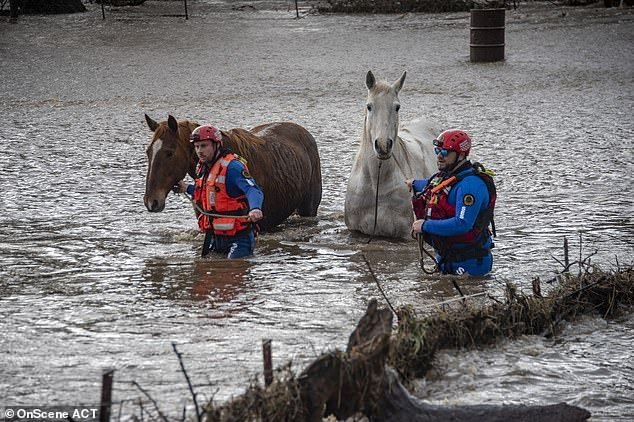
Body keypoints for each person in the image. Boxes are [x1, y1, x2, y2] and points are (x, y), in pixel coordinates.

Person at [408, 129, 496, 276]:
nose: (439, 157)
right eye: (438, 151)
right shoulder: (448, 177)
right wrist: (413, 183)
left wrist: (424, 225)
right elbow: (433, 187)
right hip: (445, 259)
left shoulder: (471, 186)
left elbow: (462, 224)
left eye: (445, 153)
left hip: (470, 264)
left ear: (461, 155)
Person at [173, 125, 264, 259]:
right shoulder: (202, 168)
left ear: (217, 145)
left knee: (232, 268)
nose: (199, 151)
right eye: (197, 147)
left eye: (204, 146)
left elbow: (252, 189)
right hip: (214, 237)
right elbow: (206, 193)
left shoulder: (232, 167)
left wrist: (255, 208)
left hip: (239, 239)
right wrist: (186, 188)